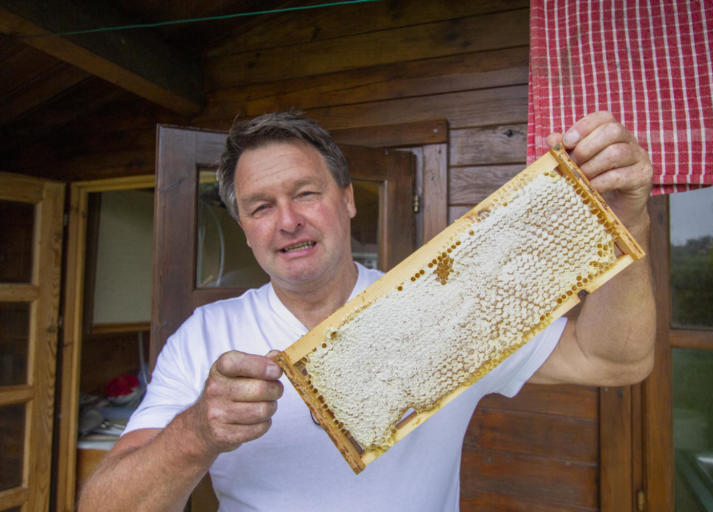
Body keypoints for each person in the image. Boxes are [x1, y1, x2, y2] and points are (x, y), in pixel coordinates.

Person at [79, 111, 655, 511]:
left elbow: (614, 361)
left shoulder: (445, 307)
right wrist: (196, 433)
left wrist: (627, 223)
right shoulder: (205, 336)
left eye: (305, 193)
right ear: (245, 229)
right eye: (261, 206)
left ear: (348, 199)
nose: (286, 221)